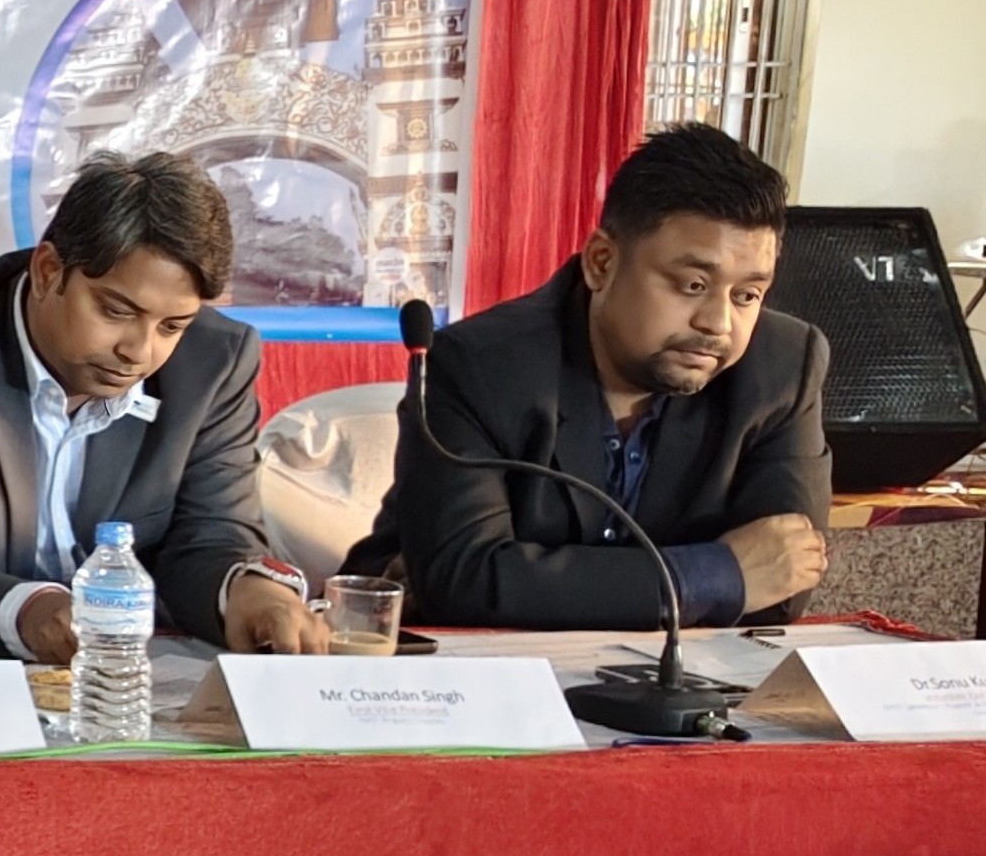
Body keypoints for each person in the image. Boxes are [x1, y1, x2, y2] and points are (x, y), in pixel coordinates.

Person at [0, 150, 325, 661]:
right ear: (49, 271)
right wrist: (30, 612)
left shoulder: (215, 361)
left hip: (113, 671)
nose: (140, 352)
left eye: (172, 326)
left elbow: (211, 536)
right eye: (116, 311)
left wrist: (247, 590)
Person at [340, 123, 830, 627]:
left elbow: (784, 578)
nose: (718, 323)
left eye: (747, 295)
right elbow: (466, 580)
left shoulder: (783, 367)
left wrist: (540, 580)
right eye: (692, 285)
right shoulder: (478, 367)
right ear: (602, 263)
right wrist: (712, 576)